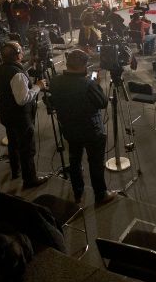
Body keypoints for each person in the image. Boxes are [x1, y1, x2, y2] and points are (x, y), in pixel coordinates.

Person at [47, 49, 117, 206]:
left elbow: (53, 102)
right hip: (91, 130)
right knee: (95, 162)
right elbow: (102, 103)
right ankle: (101, 194)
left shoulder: (55, 81)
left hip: (69, 128)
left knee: (74, 160)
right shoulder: (88, 84)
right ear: (83, 66)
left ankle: (78, 191)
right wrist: (97, 85)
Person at [0, 41, 50, 189]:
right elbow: (22, 99)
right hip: (20, 117)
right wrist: (38, 86)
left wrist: (30, 64)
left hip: (7, 114)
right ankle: (30, 179)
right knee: (27, 148)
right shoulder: (17, 74)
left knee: (13, 142)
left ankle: (15, 170)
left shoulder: (1, 69)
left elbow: (16, 75)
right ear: (18, 54)